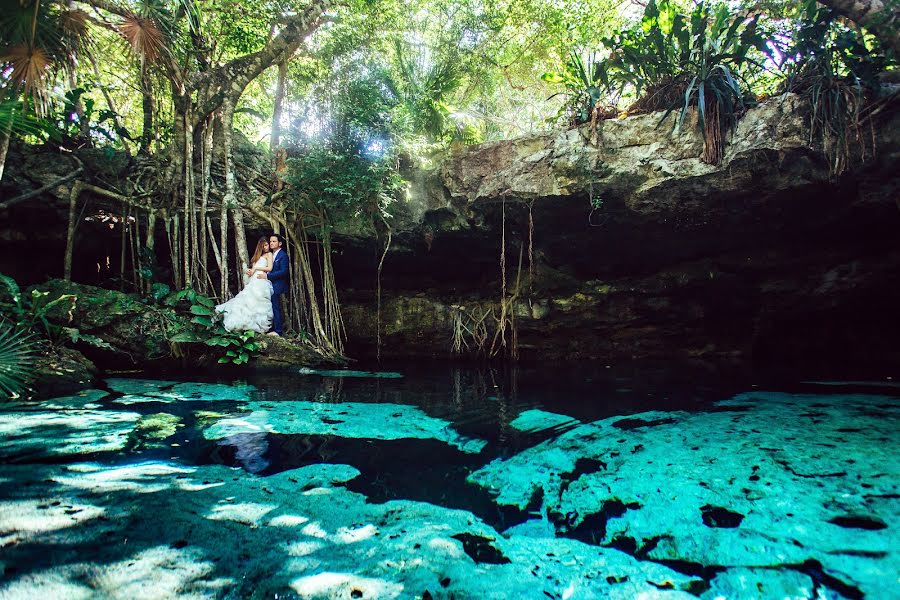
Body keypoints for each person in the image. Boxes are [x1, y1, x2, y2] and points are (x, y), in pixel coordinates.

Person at [214, 238, 273, 333]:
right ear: (260, 246)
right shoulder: (256, 257)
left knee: (259, 301)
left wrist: (256, 268)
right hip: (253, 280)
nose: (266, 247)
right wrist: (250, 271)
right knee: (247, 301)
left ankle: (257, 324)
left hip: (261, 279)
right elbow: (253, 270)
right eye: (264, 245)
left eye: (267, 245)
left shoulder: (269, 254)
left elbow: (270, 268)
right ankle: (242, 322)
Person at [257, 233, 289, 336]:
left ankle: (278, 331)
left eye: (274, 241)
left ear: (280, 243)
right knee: (268, 306)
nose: (271, 243)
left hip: (277, 284)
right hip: (268, 284)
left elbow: (284, 271)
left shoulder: (283, 255)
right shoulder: (270, 254)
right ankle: (269, 327)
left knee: (275, 306)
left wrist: (268, 276)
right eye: (270, 241)